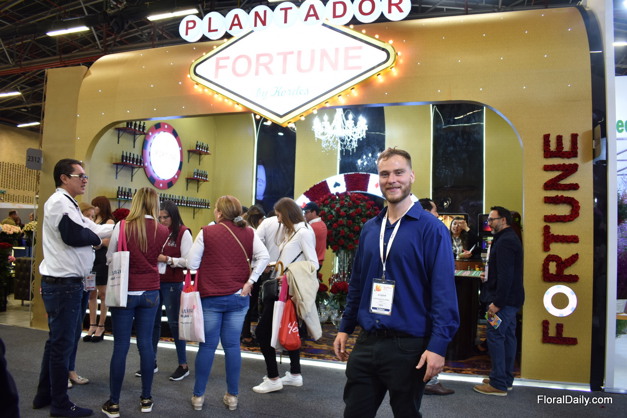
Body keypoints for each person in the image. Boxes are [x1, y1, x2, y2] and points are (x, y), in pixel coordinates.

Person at [333, 148, 459, 417]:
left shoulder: (431, 228)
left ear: (411, 176)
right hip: (367, 341)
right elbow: (358, 283)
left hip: (409, 346)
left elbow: (443, 293)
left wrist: (438, 346)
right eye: (385, 174)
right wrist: (345, 327)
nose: (392, 180)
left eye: (399, 173)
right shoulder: (370, 228)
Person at [33, 158, 113, 417]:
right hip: (63, 285)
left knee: (56, 343)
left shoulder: (70, 204)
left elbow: (93, 228)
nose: (85, 180)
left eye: (85, 176)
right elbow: (75, 235)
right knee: (62, 345)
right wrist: (96, 241)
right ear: (64, 178)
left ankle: (45, 394)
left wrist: (120, 227)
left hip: (68, 285)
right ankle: (59, 403)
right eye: (80, 176)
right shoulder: (59, 202)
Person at [186, 195, 269, 411]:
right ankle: (232, 396)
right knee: (232, 346)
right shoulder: (249, 232)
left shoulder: (206, 232)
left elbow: (192, 264)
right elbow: (264, 257)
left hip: (211, 296)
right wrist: (251, 281)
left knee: (207, 346)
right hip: (239, 296)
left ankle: (198, 396)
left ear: (220, 212)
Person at [101, 187, 169, 417]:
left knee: (120, 346)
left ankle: (114, 403)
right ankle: (146, 399)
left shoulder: (122, 226)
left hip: (125, 290)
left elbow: (110, 257)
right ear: (155, 204)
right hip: (150, 291)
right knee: (146, 345)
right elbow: (158, 260)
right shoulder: (162, 230)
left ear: (136, 202)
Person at [252, 197, 318, 394]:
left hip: (287, 289)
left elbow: (313, 264)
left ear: (287, 213)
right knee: (289, 328)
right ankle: (295, 374)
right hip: (282, 288)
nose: (278, 220)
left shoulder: (303, 232)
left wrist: (288, 274)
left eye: (279, 215)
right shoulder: (293, 231)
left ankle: (273, 377)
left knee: (262, 332)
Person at [473, 206, 524, 397]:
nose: (489, 223)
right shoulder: (507, 238)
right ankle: (504, 378)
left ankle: (498, 383)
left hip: (503, 302)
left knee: (495, 338)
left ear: (503, 220)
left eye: (492, 219)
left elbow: (506, 276)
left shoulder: (505, 241)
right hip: (510, 300)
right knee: (508, 338)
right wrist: (489, 278)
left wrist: (497, 303)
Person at [144, 200, 193, 381]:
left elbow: (188, 261)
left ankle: (183, 364)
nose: (162, 220)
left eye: (166, 217)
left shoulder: (183, 232)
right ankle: (151, 361)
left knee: (174, 324)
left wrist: (167, 259)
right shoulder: (156, 231)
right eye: (160, 217)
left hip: (173, 283)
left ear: (173, 216)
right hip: (154, 281)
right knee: (153, 323)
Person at [418, 198, 455, 396]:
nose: (438, 215)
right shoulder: (432, 230)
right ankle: (429, 380)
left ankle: (429, 379)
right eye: (435, 211)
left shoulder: (435, 231)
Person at [66, 202, 98, 390]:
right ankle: (61, 372)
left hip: (85, 281)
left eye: (93, 216)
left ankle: (70, 369)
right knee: (66, 331)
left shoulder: (88, 235)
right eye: (88, 216)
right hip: (69, 283)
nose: (91, 220)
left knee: (77, 327)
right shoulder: (71, 233)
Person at [83, 196, 116, 343]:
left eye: (96, 206)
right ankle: (92, 324)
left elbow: (109, 242)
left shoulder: (109, 222)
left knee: (103, 294)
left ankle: (101, 325)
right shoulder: (92, 221)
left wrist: (98, 243)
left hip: (102, 260)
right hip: (90, 260)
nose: (94, 209)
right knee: (91, 293)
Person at [241, 204, 266, 346]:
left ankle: (243, 333)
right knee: (249, 305)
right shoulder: (254, 233)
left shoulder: (243, 231)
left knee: (245, 304)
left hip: (243, 271)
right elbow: (261, 256)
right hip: (253, 272)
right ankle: (246, 335)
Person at [303, 201, 327, 269]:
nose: (304, 215)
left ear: (314, 212)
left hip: (312, 263)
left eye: (306, 212)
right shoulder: (322, 224)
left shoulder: (312, 227)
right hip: (318, 261)